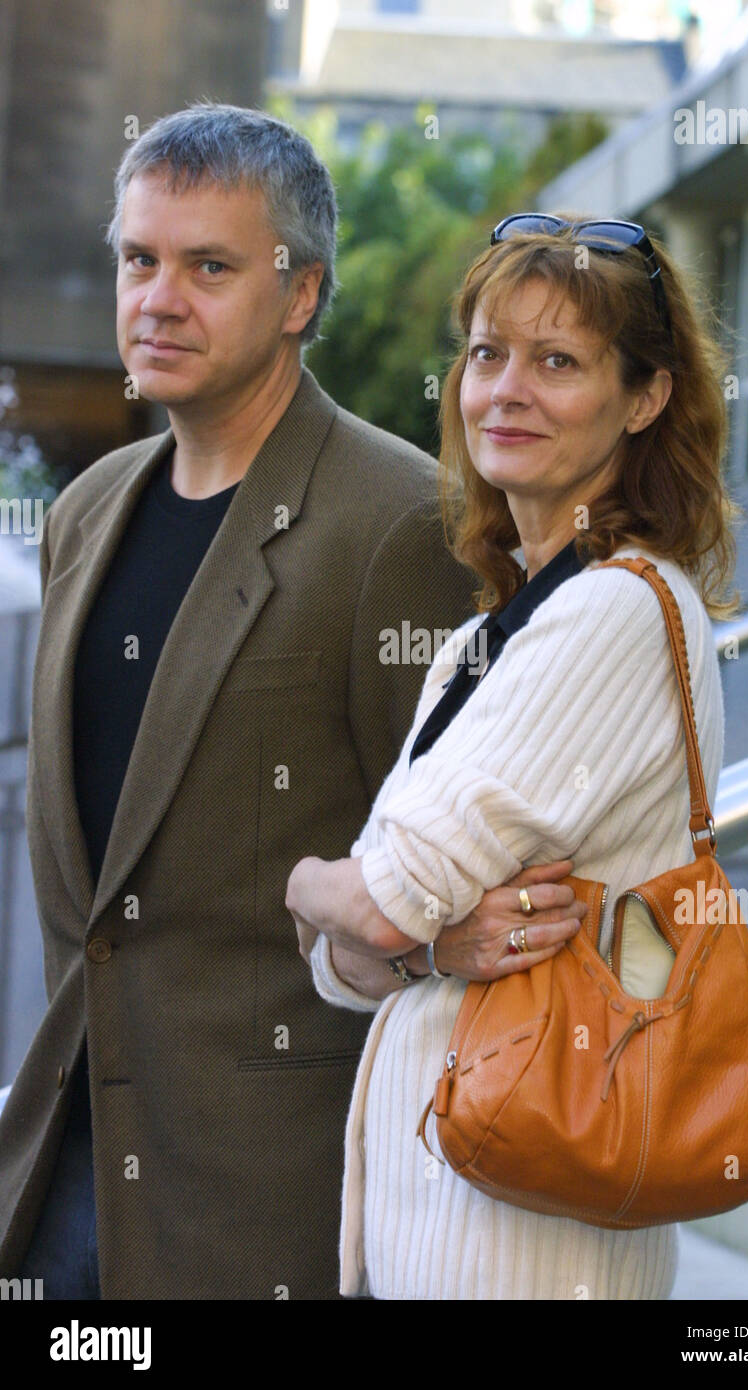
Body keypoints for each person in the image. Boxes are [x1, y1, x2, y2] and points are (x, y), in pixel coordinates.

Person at [0, 101, 501, 1300]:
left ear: (300, 294)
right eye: (139, 260)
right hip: (60, 1160)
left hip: (264, 1202)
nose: (158, 299)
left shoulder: (403, 524)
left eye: (208, 266)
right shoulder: (84, 512)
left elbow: (456, 868)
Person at [286, 213, 740, 1300]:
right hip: (437, 1227)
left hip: (528, 1251)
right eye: (487, 354)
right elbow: (341, 968)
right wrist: (433, 947)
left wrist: (305, 882)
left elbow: (378, 903)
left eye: (557, 361)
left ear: (645, 397)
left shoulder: (613, 615)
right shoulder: (484, 638)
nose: (505, 390)